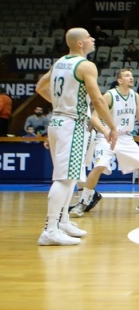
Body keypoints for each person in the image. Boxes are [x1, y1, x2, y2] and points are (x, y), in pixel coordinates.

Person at [35, 28, 118, 246]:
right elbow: (98, 100)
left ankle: (63, 222)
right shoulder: (86, 65)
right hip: (72, 124)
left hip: (57, 122)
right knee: (64, 178)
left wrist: (60, 104)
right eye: (89, 37)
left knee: (70, 176)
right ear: (80, 43)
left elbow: (40, 87)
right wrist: (111, 127)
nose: (93, 39)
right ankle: (49, 229)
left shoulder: (60, 62)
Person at [71, 68, 139, 217]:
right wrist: (106, 132)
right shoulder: (109, 95)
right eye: (127, 76)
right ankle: (83, 202)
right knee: (99, 166)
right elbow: (94, 118)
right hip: (107, 136)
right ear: (119, 80)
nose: (131, 78)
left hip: (125, 137)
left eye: (132, 75)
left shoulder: (135, 96)